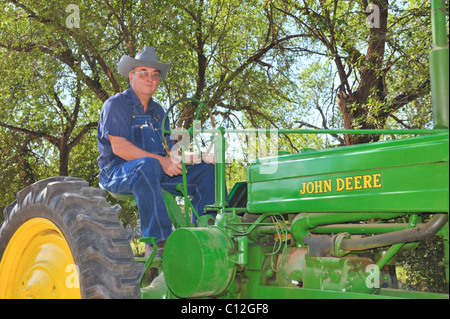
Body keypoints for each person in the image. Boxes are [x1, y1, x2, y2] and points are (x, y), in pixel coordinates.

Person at [97, 46, 216, 257]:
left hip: (155, 172)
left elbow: (171, 155)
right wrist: (162, 162)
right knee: (149, 165)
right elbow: (120, 148)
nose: (150, 78)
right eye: (143, 73)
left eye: (155, 75)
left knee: (208, 170)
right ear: (131, 76)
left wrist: (200, 156)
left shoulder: (158, 112)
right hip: (117, 171)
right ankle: (158, 241)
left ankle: (209, 232)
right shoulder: (116, 104)